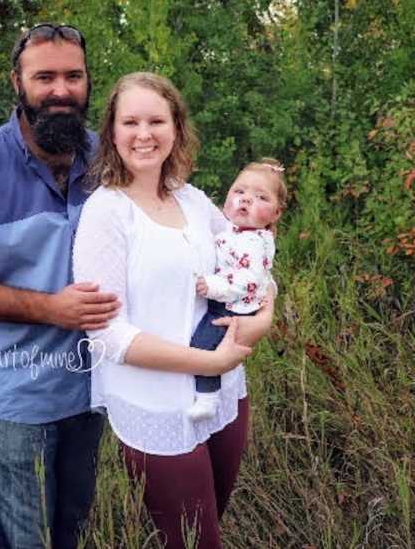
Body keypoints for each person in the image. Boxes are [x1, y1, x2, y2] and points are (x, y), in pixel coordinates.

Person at [0, 24, 120, 549]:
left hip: (93, 391)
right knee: (24, 541)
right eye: (45, 77)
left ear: (87, 82)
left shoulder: (106, 159)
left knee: (70, 533)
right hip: (17, 397)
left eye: (73, 76)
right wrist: (52, 309)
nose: (60, 90)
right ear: (17, 82)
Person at [72, 72, 275, 549]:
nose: (144, 134)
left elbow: (253, 264)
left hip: (225, 392)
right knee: (194, 541)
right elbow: (106, 335)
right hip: (158, 403)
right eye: (131, 122)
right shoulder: (107, 213)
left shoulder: (190, 197)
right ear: (112, 132)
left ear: (176, 128)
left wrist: (260, 322)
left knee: (209, 527)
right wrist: (210, 361)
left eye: (157, 120)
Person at [188, 158, 287, 421]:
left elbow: (248, 279)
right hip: (236, 302)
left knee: (203, 344)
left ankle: (208, 397)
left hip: (232, 307)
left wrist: (212, 286)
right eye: (239, 192)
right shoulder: (239, 232)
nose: (245, 200)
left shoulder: (252, 242)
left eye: (260, 197)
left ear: (277, 213)